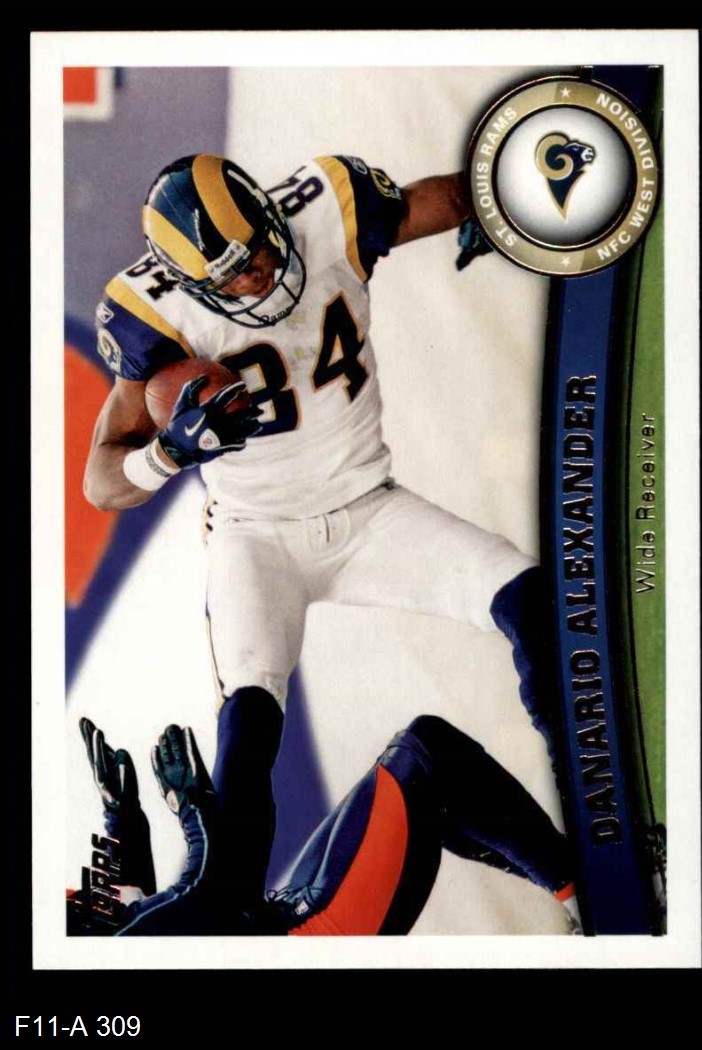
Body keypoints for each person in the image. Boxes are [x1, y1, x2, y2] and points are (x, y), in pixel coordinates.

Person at [83, 152, 557, 910]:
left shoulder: (327, 208)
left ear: (269, 210)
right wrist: (168, 452)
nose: (259, 274)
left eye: (259, 248)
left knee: (532, 602)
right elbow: (102, 482)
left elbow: (443, 199)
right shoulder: (153, 315)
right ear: (191, 283)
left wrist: (497, 210)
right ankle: (228, 919)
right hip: (257, 535)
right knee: (246, 732)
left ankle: (598, 817)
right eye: (231, 274)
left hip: (370, 507)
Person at [68, 717, 581, 937]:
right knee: (426, 752)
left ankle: (577, 889)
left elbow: (127, 910)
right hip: (316, 934)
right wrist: (190, 808)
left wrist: (121, 814)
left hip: (292, 920)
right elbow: (211, 895)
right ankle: (591, 886)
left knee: (428, 799)